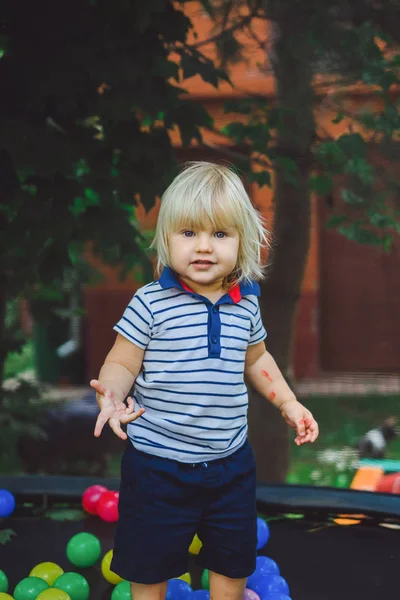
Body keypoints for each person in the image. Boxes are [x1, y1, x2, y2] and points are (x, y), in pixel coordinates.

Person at [90, 162, 319, 600]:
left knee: (232, 563)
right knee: (148, 566)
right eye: (189, 233)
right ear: (166, 238)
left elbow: (258, 361)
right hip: (158, 466)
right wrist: (113, 394)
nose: (204, 247)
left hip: (230, 466)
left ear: (243, 242)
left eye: (220, 235)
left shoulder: (245, 306)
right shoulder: (151, 303)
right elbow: (121, 361)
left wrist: (289, 403)